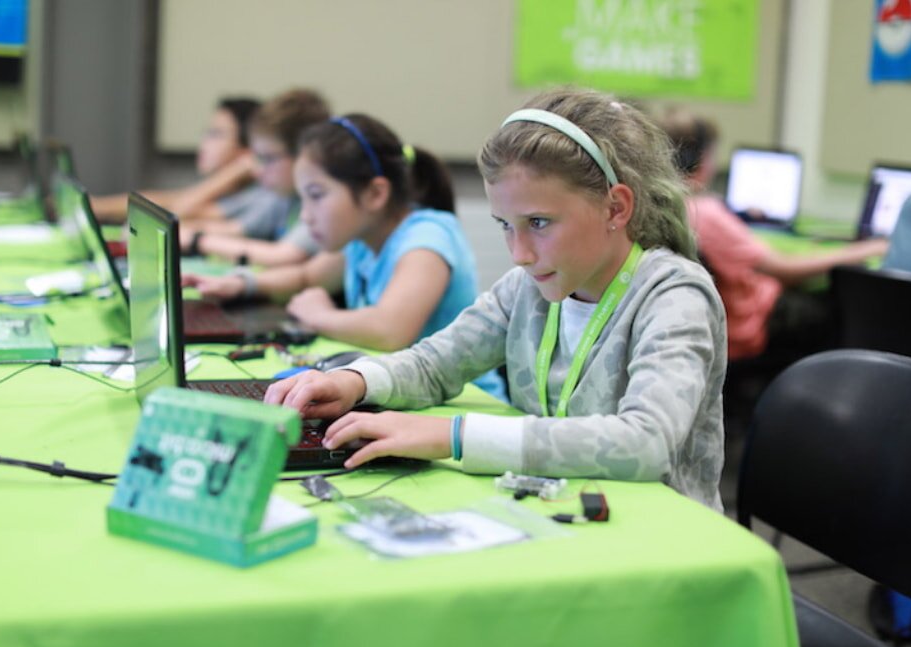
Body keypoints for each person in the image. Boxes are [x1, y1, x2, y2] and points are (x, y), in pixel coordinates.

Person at [262, 89, 729, 511]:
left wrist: (453, 435)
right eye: (505, 225)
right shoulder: (529, 286)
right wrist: (354, 381)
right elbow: (434, 364)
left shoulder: (673, 295)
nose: (519, 254)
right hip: (564, 511)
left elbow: (646, 443)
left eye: (540, 223)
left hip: (661, 535)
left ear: (615, 207)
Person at [183, 113, 506, 399]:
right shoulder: (361, 237)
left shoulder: (428, 237)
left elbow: (390, 330)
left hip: (468, 401)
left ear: (375, 194)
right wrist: (242, 285)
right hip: (406, 392)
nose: (306, 217)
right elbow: (305, 277)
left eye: (317, 197)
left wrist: (319, 315)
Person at [658, 109, 889, 363]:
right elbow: (786, 269)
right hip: (751, 325)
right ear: (699, 159)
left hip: (717, 325)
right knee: (838, 309)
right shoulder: (707, 212)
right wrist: (865, 250)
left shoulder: (667, 206)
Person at [179, 89, 330, 267]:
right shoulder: (282, 197)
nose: (258, 170)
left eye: (268, 159)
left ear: (303, 156)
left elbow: (282, 255)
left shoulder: (320, 202)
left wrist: (197, 240)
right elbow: (234, 229)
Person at [91, 97, 263, 223]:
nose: (203, 144)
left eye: (215, 134)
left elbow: (177, 210)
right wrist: (97, 206)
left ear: (248, 149)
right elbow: (165, 200)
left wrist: (238, 168)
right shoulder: (227, 192)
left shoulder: (255, 196)